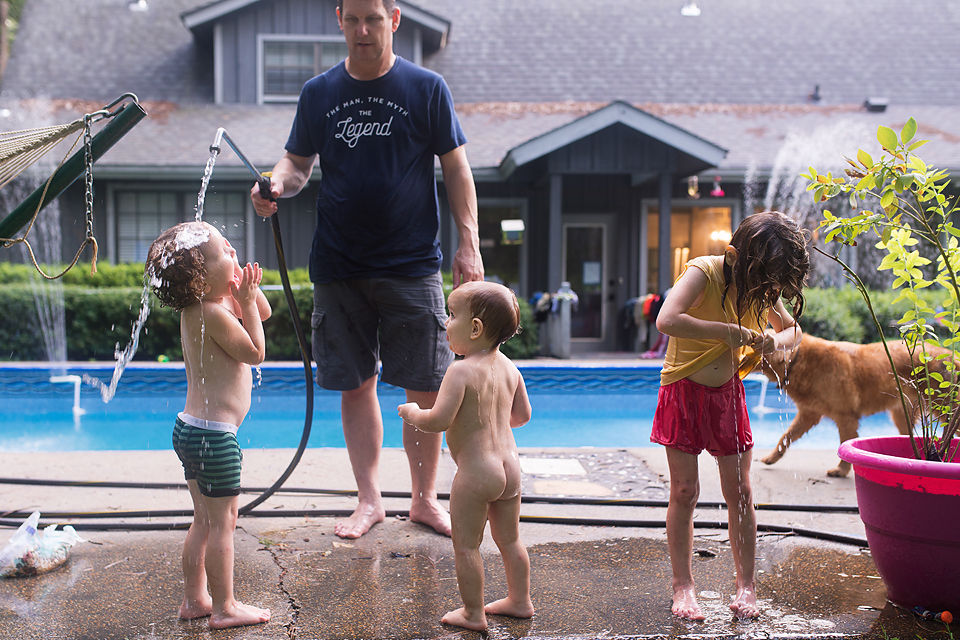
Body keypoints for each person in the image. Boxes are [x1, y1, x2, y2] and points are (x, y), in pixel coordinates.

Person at [250, 0, 483, 540]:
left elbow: (457, 168)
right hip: (338, 264)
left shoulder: (426, 88)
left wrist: (467, 242)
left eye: (372, 19)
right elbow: (297, 163)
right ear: (339, 19)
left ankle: (424, 500)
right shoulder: (319, 93)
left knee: (425, 389)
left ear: (394, 20)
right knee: (356, 385)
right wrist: (276, 184)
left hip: (411, 264)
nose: (362, 30)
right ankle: (370, 500)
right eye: (352, 19)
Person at [651, 211, 809, 621]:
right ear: (735, 256)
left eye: (772, 285)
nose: (767, 291)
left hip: (728, 396)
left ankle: (746, 586)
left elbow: (795, 332)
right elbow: (666, 319)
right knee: (685, 492)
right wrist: (723, 332)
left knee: (740, 491)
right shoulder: (704, 272)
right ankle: (683, 587)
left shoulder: (762, 283)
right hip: (682, 391)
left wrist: (775, 337)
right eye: (763, 282)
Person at [145, 221, 273, 630]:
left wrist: (246, 293)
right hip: (215, 438)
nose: (234, 252)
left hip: (190, 430)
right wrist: (246, 303)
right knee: (222, 524)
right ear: (201, 277)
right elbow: (255, 352)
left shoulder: (200, 307)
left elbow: (263, 313)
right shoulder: (214, 314)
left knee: (202, 520)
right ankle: (225, 607)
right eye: (225, 252)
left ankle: (194, 600)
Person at [398, 281, 534, 631]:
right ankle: (520, 600)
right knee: (510, 539)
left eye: (452, 314)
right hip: (511, 469)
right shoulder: (510, 369)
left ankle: (473, 613)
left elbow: (438, 421)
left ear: (475, 329)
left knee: (467, 546)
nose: (446, 321)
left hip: (476, 474)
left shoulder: (459, 371)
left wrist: (413, 412)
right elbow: (522, 417)